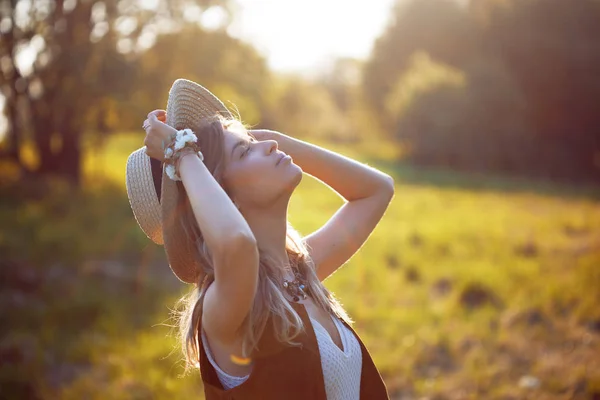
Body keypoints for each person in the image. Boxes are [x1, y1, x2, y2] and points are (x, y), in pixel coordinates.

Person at [126, 79, 394, 399]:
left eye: (253, 141)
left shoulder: (297, 272)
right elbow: (237, 244)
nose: (268, 146)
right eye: (244, 150)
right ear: (224, 197)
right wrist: (180, 152)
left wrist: (275, 141)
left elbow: (377, 190)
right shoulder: (226, 306)